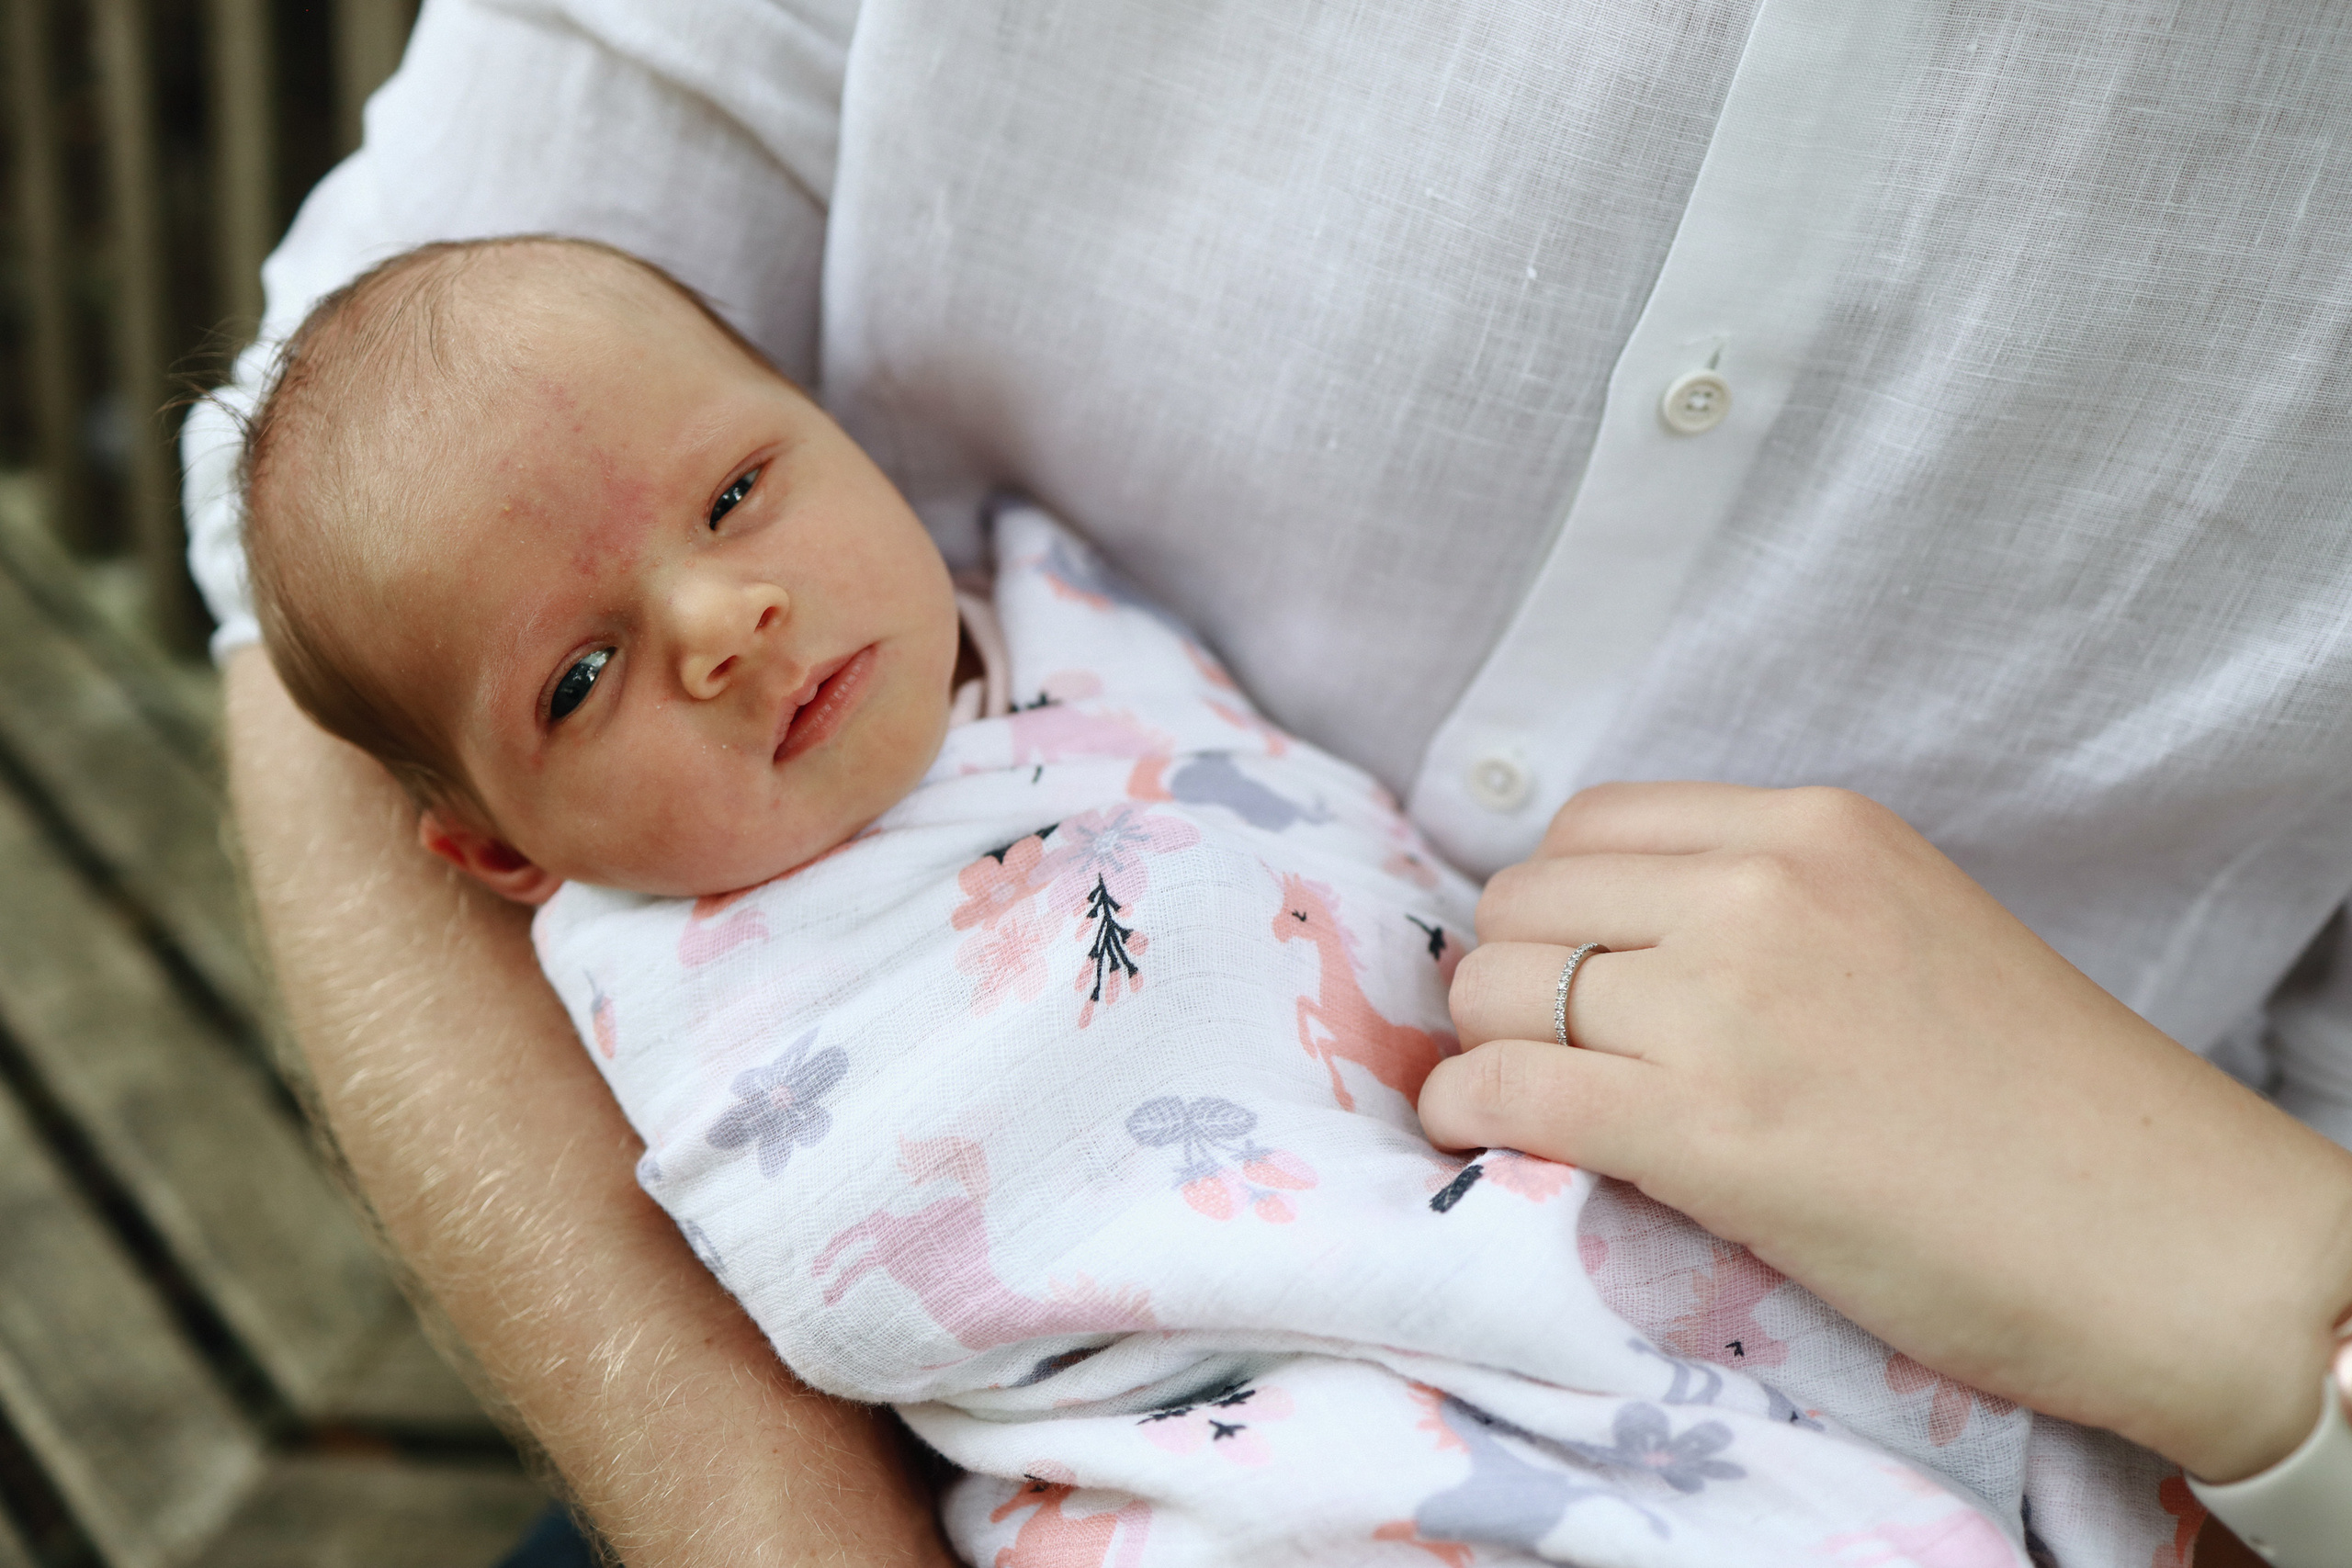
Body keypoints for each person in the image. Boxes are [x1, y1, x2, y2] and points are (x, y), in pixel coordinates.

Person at [181, 1, 2352, 1561]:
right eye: (580, 674)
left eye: (743, 486)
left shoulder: (1027, 628)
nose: (720, 619)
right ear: (489, 845)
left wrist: (2279, 1314)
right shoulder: (723, 984)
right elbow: (306, 608)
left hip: (1945, 1408)